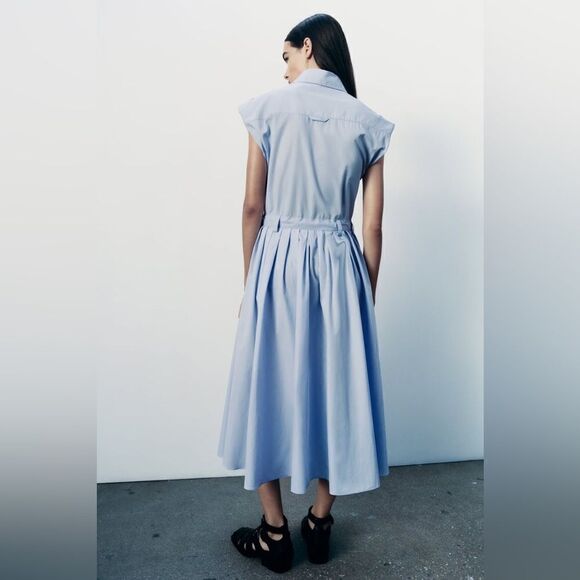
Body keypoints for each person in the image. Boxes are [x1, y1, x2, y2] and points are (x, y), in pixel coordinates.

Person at [217, 13, 395, 574]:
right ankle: (319, 520)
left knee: (265, 385)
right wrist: (364, 293)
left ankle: (274, 531)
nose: (286, 71)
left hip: (278, 261)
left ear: (309, 48)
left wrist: (252, 280)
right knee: (336, 391)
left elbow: (253, 206)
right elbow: (372, 226)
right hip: (341, 267)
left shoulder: (268, 109)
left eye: (288, 57)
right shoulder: (368, 122)